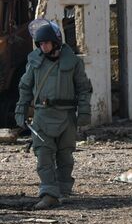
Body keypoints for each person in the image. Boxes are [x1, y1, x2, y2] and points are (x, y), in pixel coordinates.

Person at [14, 20, 92, 210]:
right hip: (42, 115)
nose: (43, 46)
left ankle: (63, 191)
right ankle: (49, 193)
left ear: (55, 42)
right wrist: (20, 110)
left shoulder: (73, 62)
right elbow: (25, 87)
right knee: (43, 155)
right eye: (40, 44)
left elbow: (83, 88)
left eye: (46, 43)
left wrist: (84, 112)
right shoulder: (34, 62)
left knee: (65, 156)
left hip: (66, 117)